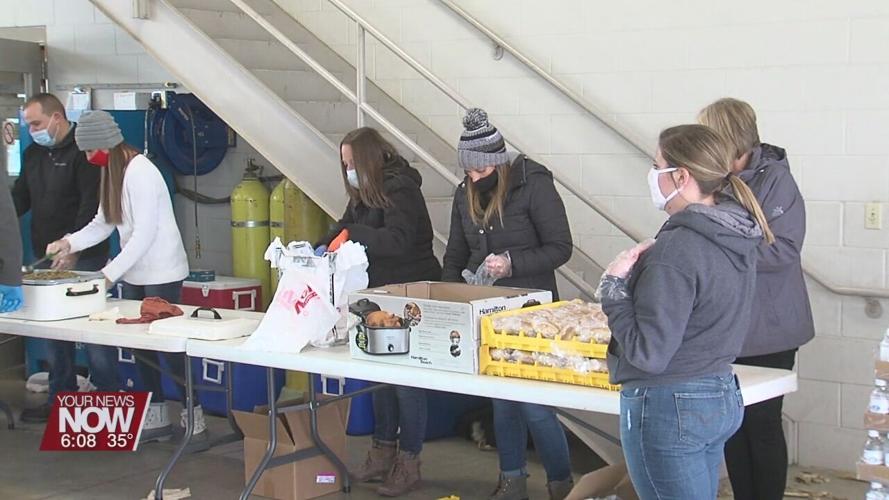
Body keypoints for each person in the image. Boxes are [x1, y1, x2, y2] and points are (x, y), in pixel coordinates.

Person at [598, 124, 775, 500]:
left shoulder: (678, 248)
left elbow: (649, 353)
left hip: (669, 404)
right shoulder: (735, 232)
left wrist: (613, 290)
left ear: (681, 175)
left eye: (655, 165)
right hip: (719, 392)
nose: (651, 175)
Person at [442, 108, 574, 500]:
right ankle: (511, 479)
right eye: (469, 173)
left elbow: (561, 247)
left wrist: (513, 263)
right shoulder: (462, 195)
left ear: (498, 165)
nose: (474, 179)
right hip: (488, 312)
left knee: (535, 407)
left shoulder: (534, 186)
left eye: (481, 173)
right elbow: (455, 254)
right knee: (502, 404)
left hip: (534, 315)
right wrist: (453, 298)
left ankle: (561, 485)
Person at [45, 110, 196, 444]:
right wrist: (69, 241)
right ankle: (155, 412)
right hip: (137, 274)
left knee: (169, 351)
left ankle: (193, 415)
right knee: (141, 349)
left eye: (89, 151)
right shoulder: (112, 173)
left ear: (106, 145)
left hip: (162, 273)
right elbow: (104, 222)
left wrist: (108, 275)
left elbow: (143, 235)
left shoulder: (142, 172)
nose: (87, 157)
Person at [699, 98, 814, 500]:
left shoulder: (776, 180)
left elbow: (783, 250)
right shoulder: (716, 177)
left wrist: (721, 250)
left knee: (762, 422)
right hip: (730, 326)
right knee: (731, 421)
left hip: (772, 327)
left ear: (734, 141)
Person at [322, 127, 441, 497]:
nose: (348, 171)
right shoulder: (363, 193)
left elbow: (398, 241)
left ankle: (409, 459)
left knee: (406, 382)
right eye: (344, 165)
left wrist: (353, 232)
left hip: (409, 292)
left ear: (369, 160)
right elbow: (346, 225)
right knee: (378, 379)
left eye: (352, 163)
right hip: (377, 293)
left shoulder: (401, 188)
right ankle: (381, 450)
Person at [11, 94, 117, 423]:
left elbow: (93, 208)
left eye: (37, 124)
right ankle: (61, 402)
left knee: (94, 336)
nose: (33, 130)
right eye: (28, 125)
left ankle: (107, 404)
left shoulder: (85, 154)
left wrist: (75, 250)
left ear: (57, 118)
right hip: (47, 256)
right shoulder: (32, 154)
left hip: (85, 259)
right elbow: (20, 200)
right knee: (55, 336)